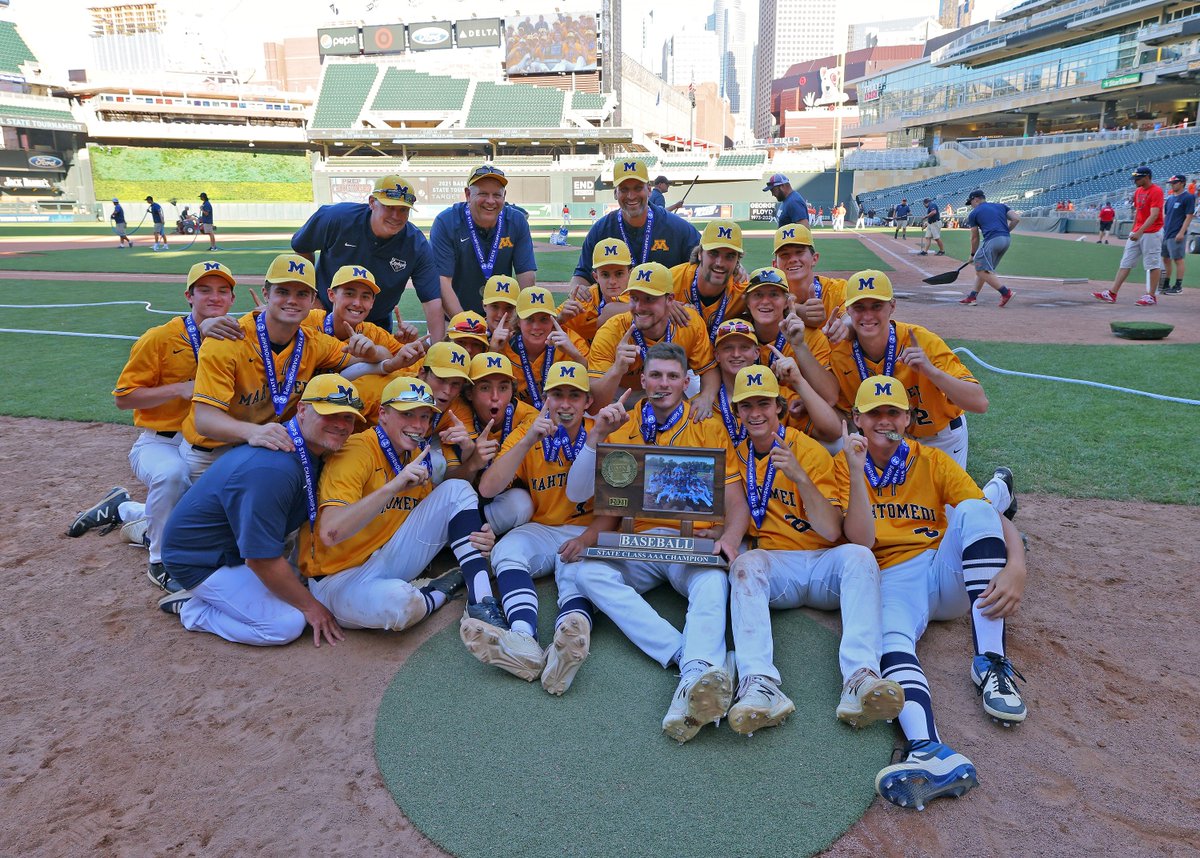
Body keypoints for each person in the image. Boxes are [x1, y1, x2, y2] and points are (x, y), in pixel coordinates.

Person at [837, 376, 1028, 811]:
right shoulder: (843, 464)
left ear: (907, 417)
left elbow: (985, 519)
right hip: (891, 577)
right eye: (875, 413)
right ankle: (929, 749)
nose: (885, 421)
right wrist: (852, 467)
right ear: (858, 419)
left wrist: (1017, 565)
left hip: (944, 570)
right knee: (888, 647)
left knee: (978, 507)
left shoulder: (931, 459)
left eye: (893, 412)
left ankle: (991, 662)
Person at [564, 343, 744, 729]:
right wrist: (596, 435)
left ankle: (695, 672)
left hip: (689, 544)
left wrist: (730, 537)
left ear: (686, 383)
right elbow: (578, 494)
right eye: (656, 375)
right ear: (643, 380)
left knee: (713, 582)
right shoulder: (622, 423)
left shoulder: (707, 426)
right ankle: (687, 660)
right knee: (588, 574)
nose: (663, 384)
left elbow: (735, 498)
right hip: (639, 542)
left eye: (672, 376)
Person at [722, 366, 904, 734]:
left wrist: (800, 478)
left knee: (860, 555)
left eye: (764, 404)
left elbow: (832, 528)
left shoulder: (810, 450)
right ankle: (759, 684)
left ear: (779, 407)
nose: (756, 413)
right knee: (744, 564)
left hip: (824, 563)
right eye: (747, 406)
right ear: (737, 411)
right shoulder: (734, 453)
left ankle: (860, 677)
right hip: (778, 566)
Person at [67, 260, 237, 591]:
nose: (214, 297)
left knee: (206, 502)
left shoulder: (237, 336)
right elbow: (124, 397)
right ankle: (160, 562)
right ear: (188, 296)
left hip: (208, 441)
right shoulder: (159, 338)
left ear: (231, 298)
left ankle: (124, 507)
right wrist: (179, 388)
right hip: (162, 441)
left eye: (222, 290)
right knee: (173, 476)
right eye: (204, 289)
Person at [157, 374, 363, 646]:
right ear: (301, 410)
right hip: (202, 560)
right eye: (330, 413)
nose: (341, 424)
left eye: (348, 417)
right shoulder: (274, 468)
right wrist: (312, 608)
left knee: (297, 589)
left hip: (237, 548)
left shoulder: (305, 448)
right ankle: (195, 610)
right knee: (285, 624)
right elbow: (260, 559)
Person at [298, 376, 499, 635]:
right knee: (402, 605)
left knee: (458, 489)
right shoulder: (357, 450)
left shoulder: (415, 454)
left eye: (425, 417)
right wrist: (393, 487)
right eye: (407, 414)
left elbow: (446, 508)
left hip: (387, 554)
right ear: (383, 414)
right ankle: (437, 591)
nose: (417, 425)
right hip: (337, 578)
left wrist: (477, 533)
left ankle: (482, 602)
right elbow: (330, 533)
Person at [181, 254, 388, 480]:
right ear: (266, 293)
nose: (292, 300)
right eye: (282, 292)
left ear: (313, 300)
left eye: (301, 294)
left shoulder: (314, 342)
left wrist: (371, 350)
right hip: (212, 453)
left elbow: (379, 360)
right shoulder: (227, 339)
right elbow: (205, 420)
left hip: (266, 447)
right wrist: (254, 432)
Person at [830, 270, 1014, 509]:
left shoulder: (921, 340)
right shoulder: (843, 353)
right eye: (859, 307)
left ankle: (1000, 489)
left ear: (892, 307)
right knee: (898, 512)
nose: (868, 315)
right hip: (893, 438)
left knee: (954, 518)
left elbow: (980, 403)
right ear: (849, 311)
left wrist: (931, 371)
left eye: (876, 306)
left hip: (939, 436)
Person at [469, 362, 599, 688]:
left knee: (576, 576)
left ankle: (564, 650)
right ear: (546, 398)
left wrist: (588, 537)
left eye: (574, 396)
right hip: (544, 527)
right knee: (507, 550)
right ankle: (523, 638)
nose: (565, 404)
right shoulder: (530, 431)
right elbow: (487, 489)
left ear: (587, 402)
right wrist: (527, 441)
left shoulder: (601, 431)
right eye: (557, 395)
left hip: (590, 529)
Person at [292, 175, 444, 339]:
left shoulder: (416, 244)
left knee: (378, 362)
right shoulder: (337, 217)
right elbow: (302, 248)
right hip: (324, 315)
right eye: (389, 206)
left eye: (403, 209)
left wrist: (436, 352)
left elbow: (431, 301)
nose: (396, 216)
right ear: (372, 202)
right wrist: (313, 303)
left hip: (375, 324)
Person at [587, 262, 719, 413]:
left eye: (649, 299)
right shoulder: (612, 331)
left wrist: (706, 396)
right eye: (635, 298)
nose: (639, 307)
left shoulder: (688, 322)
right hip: (622, 393)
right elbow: (593, 406)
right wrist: (616, 370)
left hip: (669, 389)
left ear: (670, 300)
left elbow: (709, 368)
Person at [568, 159, 700, 297]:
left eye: (638, 188)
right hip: (615, 314)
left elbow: (703, 269)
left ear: (649, 190)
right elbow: (582, 274)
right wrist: (577, 290)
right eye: (624, 189)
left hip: (664, 313)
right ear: (615, 193)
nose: (631, 196)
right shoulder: (601, 230)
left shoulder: (678, 228)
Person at [431, 165, 537, 318]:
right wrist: (466, 325)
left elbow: (526, 276)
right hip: (454, 316)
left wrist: (517, 319)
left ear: (504, 196)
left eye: (497, 195)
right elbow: (442, 281)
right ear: (468, 194)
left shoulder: (516, 221)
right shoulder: (446, 222)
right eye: (483, 194)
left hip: (500, 318)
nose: (490, 201)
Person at [497, 287, 589, 408]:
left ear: (553, 319)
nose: (536, 326)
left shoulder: (572, 341)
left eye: (544, 319)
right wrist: (493, 349)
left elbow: (594, 386)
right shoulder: (503, 347)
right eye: (529, 319)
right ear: (518, 321)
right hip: (516, 421)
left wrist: (575, 355)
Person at [1092, 166, 1164, 306]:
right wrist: (1134, 230)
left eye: (1138, 178)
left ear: (1147, 177)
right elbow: (1138, 212)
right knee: (1125, 262)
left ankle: (1151, 296)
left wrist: (1140, 231)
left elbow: (1154, 215)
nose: (1135, 181)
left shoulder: (1156, 191)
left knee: (1152, 264)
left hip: (1152, 232)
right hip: (1138, 231)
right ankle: (1112, 293)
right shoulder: (1138, 191)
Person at [670, 219, 749, 341]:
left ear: (737, 260)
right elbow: (630, 306)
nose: (720, 263)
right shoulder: (670, 279)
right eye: (713, 253)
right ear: (700, 253)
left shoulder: (744, 291)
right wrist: (659, 306)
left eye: (730, 256)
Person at [771, 223, 846, 330]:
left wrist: (846, 328)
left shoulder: (836, 289)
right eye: (784, 254)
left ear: (814, 258)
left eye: (799, 252)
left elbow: (850, 319)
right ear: (775, 265)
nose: (792, 259)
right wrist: (796, 309)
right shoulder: (768, 297)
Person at [558, 238, 632, 342]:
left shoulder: (639, 296)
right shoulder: (585, 299)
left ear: (629, 274)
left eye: (619, 274)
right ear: (596, 277)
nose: (612, 281)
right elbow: (542, 326)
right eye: (605, 275)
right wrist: (560, 319)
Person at [961, 189, 1020, 307]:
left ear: (976, 199)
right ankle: (972, 296)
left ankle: (1006, 293)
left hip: (993, 240)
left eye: (971, 203)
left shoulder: (974, 213)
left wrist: (972, 254)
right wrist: (1006, 231)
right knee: (984, 270)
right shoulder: (1001, 206)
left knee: (981, 269)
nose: (971, 206)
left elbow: (974, 237)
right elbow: (1016, 219)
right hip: (1006, 240)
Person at [1160, 174, 1194, 294]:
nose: (1172, 185)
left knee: (1178, 259)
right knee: (1165, 259)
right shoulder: (1170, 198)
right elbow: (1166, 215)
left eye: (1175, 183)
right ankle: (1166, 283)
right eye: (1172, 183)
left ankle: (1178, 286)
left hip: (1177, 233)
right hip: (1167, 233)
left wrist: (1181, 232)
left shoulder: (1188, 197)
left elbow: (1189, 216)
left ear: (1182, 183)